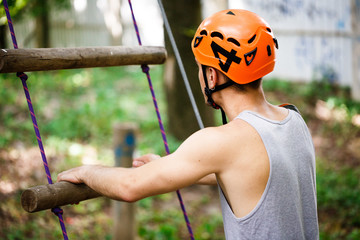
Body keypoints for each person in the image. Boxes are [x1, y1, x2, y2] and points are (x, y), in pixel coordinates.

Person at [58, 9, 319, 239]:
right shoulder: (293, 119)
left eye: (199, 67)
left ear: (211, 75)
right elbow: (247, 172)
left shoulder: (223, 140)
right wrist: (166, 164)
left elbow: (130, 186)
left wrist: (86, 172)